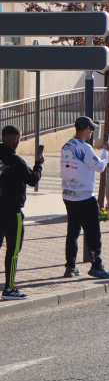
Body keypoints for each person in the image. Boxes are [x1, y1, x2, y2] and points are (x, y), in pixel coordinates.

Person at [60, 117, 109, 279]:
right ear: (85, 129)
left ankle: (70, 266)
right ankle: (96, 265)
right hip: (84, 196)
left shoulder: (66, 146)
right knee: (93, 233)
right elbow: (100, 166)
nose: (91, 132)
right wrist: (105, 151)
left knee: (73, 232)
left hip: (68, 195)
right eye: (90, 129)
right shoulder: (84, 148)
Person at [0, 126, 43, 300]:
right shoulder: (15, 160)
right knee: (13, 251)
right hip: (12, 212)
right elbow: (32, 180)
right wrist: (38, 165)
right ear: (16, 139)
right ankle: (9, 289)